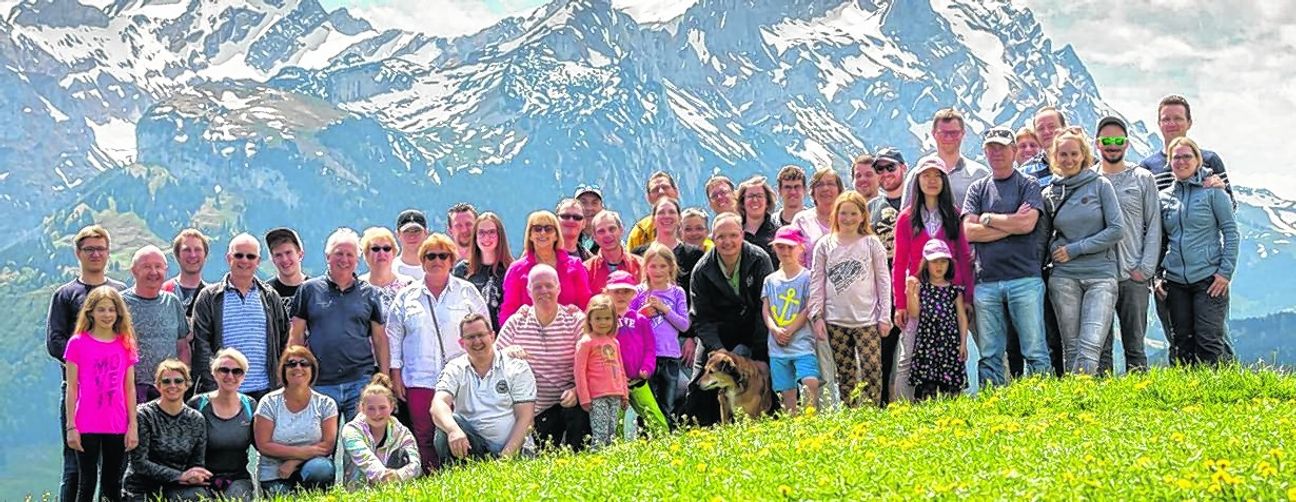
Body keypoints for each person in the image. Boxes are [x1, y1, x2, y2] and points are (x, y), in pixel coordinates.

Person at [387, 233, 488, 472]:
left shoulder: (467, 291)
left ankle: (463, 475)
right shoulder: (406, 296)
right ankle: (433, 479)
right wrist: (395, 373)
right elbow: (393, 336)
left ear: (452, 260)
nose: (437, 260)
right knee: (424, 434)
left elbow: (484, 328)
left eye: (443, 255)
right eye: (431, 255)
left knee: (461, 427)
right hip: (419, 377)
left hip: (461, 376)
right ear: (422, 261)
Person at [961, 126, 1053, 387]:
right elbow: (968, 231)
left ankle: (1042, 400)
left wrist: (988, 220)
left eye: (1002, 147)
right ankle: (994, 404)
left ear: (1013, 151)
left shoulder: (1029, 184)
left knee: (1034, 349)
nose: (997, 152)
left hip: (1025, 278)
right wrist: (1011, 223)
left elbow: (1028, 225)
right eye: (991, 148)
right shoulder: (978, 188)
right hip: (986, 281)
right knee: (989, 353)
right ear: (984, 153)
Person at [46, 224, 127, 502]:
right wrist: (87, 364)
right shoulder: (66, 294)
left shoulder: (120, 291)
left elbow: (127, 338)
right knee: (75, 468)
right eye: (89, 249)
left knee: (114, 470)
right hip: (77, 391)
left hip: (115, 394)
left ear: (108, 253)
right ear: (78, 253)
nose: (96, 254)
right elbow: (55, 341)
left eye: (100, 249)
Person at [1041, 128, 1124, 375]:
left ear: (1084, 155)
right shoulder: (1050, 194)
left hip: (1101, 275)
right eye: (1063, 154)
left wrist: (1075, 249)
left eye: (1074, 154)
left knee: (1090, 345)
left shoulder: (1101, 185)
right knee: (1072, 347)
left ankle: (1081, 397)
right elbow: (1045, 237)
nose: (1069, 159)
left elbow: (1116, 230)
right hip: (1064, 277)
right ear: (1055, 157)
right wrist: (1055, 247)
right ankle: (1079, 402)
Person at [891, 161, 974, 402]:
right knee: (908, 355)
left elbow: (964, 256)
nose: (932, 180)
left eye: (937, 175)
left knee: (949, 351)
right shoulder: (906, 218)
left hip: (950, 292)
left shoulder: (954, 214)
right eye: (925, 175)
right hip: (917, 292)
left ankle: (951, 404)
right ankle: (905, 409)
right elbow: (899, 263)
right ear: (917, 181)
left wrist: (967, 296)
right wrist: (900, 304)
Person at [289, 228, 391, 422]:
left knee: (362, 443)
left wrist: (384, 379)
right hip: (320, 382)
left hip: (361, 381)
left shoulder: (370, 293)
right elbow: (297, 336)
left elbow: (379, 338)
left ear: (357, 260)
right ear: (328, 256)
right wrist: (295, 374)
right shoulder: (308, 290)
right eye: (339, 253)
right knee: (323, 446)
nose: (344, 259)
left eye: (350, 255)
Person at [682, 213, 774, 426]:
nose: (728, 241)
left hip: (755, 330)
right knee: (698, 384)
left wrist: (760, 354)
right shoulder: (702, 270)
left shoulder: (759, 260)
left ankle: (775, 423)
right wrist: (718, 349)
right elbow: (701, 319)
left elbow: (766, 307)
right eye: (721, 236)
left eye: (733, 235)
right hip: (718, 335)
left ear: (742, 235)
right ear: (713, 239)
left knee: (769, 374)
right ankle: (700, 430)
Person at [1157, 136, 1239, 366]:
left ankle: (1212, 397)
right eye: (1176, 157)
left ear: (1197, 160)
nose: (1181, 161)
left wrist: (1225, 273)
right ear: (1169, 162)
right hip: (1174, 281)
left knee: (1209, 342)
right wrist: (1156, 277)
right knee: (1181, 341)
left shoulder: (1214, 193)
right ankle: (1185, 394)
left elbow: (1231, 233)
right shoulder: (1163, 198)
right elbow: (1158, 240)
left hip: (1209, 279)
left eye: (1187, 156)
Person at [808, 192, 892, 408]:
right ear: (836, 215)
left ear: (863, 216)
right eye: (843, 213)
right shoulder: (825, 245)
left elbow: (884, 281)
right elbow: (817, 281)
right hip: (836, 320)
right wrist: (816, 315)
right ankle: (850, 412)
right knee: (845, 373)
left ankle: (872, 411)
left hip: (867, 319)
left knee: (872, 368)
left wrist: (885, 316)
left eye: (854, 213)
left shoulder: (872, 244)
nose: (848, 218)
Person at [1094, 116, 1161, 374]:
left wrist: (1145, 270)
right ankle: (1104, 400)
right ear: (1097, 143)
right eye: (1107, 140)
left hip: (1133, 275)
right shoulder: (1088, 179)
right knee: (1100, 346)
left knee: (1135, 346)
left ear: (1127, 144)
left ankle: (1139, 398)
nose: (1113, 146)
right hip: (1098, 275)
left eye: (1118, 140)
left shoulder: (1143, 178)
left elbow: (1154, 226)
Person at [497, 265, 588, 450]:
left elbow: (593, 364)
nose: (544, 291)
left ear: (559, 288)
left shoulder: (575, 320)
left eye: (549, 285)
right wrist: (507, 353)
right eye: (538, 287)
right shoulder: (517, 322)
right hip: (531, 413)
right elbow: (493, 360)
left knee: (580, 413)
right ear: (529, 291)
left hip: (567, 404)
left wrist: (577, 391)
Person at [190, 233, 290, 399]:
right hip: (224, 392)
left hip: (265, 392)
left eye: (251, 256)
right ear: (229, 258)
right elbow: (201, 345)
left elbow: (284, 340)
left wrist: (280, 381)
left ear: (258, 261)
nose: (244, 260)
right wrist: (214, 386)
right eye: (239, 255)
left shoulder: (271, 297)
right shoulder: (209, 297)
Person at [64, 287, 139, 502]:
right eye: (101, 310)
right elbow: (71, 388)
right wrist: (71, 427)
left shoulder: (125, 344)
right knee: (86, 482)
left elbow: (129, 388)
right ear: (91, 312)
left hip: (116, 422)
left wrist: (132, 426)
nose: (107, 315)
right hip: (86, 422)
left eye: (111, 310)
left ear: (118, 313)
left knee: (113, 483)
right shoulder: (77, 343)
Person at [432, 313, 536, 463]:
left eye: (481, 335)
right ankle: (458, 477)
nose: (477, 341)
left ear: (492, 336)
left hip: (513, 449)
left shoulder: (517, 368)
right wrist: (453, 430)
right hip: (472, 445)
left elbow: (526, 418)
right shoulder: (454, 368)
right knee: (445, 424)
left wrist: (505, 458)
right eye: (470, 337)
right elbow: (438, 404)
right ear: (461, 343)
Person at [254, 346, 338, 495]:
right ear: (283, 370)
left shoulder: (326, 403)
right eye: (291, 364)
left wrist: (294, 462)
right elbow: (264, 445)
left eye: (304, 363)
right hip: (275, 472)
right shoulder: (268, 402)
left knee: (321, 470)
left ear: (312, 370)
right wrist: (303, 452)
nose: (298, 367)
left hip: (312, 466)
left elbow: (327, 446)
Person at [124, 359, 210, 502]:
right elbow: (139, 463)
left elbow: (197, 463)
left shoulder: (197, 419)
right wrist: (180, 476)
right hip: (142, 486)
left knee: (200, 496)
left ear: (187, 385)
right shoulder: (144, 415)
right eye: (166, 381)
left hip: (179, 486)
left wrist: (194, 476)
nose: (172, 386)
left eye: (178, 381)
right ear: (157, 385)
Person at [761, 226, 820, 416]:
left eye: (790, 247)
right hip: (777, 346)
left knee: (810, 381)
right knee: (787, 390)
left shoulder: (807, 277)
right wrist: (775, 329)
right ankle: (792, 423)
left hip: (802, 342)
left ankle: (810, 419)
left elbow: (808, 307)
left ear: (801, 248)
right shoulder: (770, 280)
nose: (785, 252)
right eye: (781, 247)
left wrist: (791, 330)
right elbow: (766, 308)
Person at [628, 243, 690, 420]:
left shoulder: (677, 293)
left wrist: (665, 309)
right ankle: (645, 440)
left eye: (663, 266)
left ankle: (665, 437)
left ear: (671, 267)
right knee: (647, 405)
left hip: (670, 356)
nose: (657, 271)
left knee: (667, 404)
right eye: (653, 266)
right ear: (645, 268)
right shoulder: (639, 292)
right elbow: (628, 321)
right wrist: (642, 314)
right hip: (646, 357)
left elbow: (684, 325)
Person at [498, 210, 593, 324]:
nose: (543, 233)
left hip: (569, 335)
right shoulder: (516, 270)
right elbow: (509, 310)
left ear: (556, 235)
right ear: (530, 235)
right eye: (537, 228)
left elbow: (586, 304)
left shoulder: (575, 266)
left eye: (548, 229)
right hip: (529, 337)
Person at [605, 271, 669, 438]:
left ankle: (665, 444)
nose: (621, 295)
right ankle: (615, 452)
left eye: (626, 291)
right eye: (616, 291)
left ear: (633, 293)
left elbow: (650, 347)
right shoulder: (603, 320)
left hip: (638, 380)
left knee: (654, 416)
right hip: (615, 384)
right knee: (615, 423)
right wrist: (615, 375)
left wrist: (647, 367)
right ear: (607, 292)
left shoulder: (640, 320)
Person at [187, 349, 257, 501]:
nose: (230, 376)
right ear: (214, 373)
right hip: (200, 479)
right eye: (224, 370)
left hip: (238, 479)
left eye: (237, 371)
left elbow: (262, 446)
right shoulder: (197, 404)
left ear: (243, 376)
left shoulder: (250, 405)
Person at [124, 246, 190, 403]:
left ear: (166, 270)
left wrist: (182, 381)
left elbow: (182, 346)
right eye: (146, 266)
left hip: (169, 389)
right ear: (134, 271)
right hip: (132, 390)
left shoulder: (172, 302)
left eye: (158, 266)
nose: (153, 272)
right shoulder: (121, 303)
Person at [904, 241, 969, 400]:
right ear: (926, 264)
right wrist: (910, 293)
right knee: (927, 386)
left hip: (949, 344)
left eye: (943, 261)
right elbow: (914, 313)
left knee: (951, 389)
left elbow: (961, 317)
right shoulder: (922, 288)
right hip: (927, 344)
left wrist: (963, 343)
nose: (939, 266)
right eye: (934, 261)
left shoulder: (954, 291)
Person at [1139, 95, 1234, 198]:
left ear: (1189, 123)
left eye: (1178, 119)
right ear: (1159, 124)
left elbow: (1231, 206)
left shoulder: (1209, 160)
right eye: (1166, 119)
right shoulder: (1147, 167)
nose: (1172, 124)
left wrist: (1222, 191)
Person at [340, 374, 421, 489]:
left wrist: (399, 475)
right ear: (362, 408)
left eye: (382, 408)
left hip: (394, 491)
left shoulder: (403, 433)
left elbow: (415, 465)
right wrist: (385, 477)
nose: (377, 414)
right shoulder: (351, 431)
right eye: (371, 408)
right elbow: (366, 460)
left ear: (392, 407)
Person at [573, 295, 629, 449]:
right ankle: (597, 459)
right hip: (597, 396)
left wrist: (624, 394)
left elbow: (620, 369)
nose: (603, 322)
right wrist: (584, 397)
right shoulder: (586, 342)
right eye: (598, 318)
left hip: (615, 394)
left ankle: (609, 461)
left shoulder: (614, 342)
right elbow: (579, 372)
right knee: (600, 432)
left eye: (607, 318)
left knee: (612, 431)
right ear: (589, 319)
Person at [904, 108, 990, 208]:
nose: (948, 138)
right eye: (943, 133)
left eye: (954, 133)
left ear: (963, 134)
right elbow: (906, 216)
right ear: (934, 134)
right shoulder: (918, 174)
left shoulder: (979, 174)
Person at [632, 198, 706, 298]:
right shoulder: (638, 255)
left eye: (671, 212)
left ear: (680, 219)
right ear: (653, 220)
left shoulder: (695, 255)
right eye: (661, 212)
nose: (667, 216)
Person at [452, 212, 514, 331]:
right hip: (471, 338)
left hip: (503, 338)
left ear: (500, 236)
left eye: (491, 232)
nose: (486, 237)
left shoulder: (511, 271)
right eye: (481, 233)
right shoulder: (462, 271)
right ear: (475, 236)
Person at [585, 210, 643, 293]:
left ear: (621, 230)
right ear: (594, 237)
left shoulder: (640, 266)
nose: (607, 235)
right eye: (601, 231)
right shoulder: (586, 270)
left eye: (612, 229)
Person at [359, 226, 415, 308]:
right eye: (375, 249)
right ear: (366, 254)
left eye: (386, 248)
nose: (381, 253)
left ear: (394, 253)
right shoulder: (355, 287)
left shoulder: (409, 286)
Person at [791, 168, 844, 253]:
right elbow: (793, 258)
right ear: (813, 192)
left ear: (839, 190)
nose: (825, 188)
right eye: (820, 185)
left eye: (830, 184)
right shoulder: (801, 220)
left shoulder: (850, 218)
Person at [161, 228, 210, 317]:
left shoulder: (213, 296)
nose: (193, 255)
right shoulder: (162, 292)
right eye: (187, 250)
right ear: (177, 255)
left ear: (205, 255)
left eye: (197, 250)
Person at [627, 171, 681, 251]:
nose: (661, 192)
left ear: (676, 191)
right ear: (648, 198)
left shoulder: (691, 225)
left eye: (665, 187)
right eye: (655, 190)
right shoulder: (640, 231)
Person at [738, 175, 779, 268]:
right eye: (750, 196)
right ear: (742, 202)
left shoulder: (777, 234)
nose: (755, 200)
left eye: (759, 196)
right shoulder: (734, 232)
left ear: (767, 202)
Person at [1020, 106, 1068, 187]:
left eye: (1052, 126)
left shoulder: (1086, 163)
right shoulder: (1024, 174)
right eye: (1041, 128)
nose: (1046, 132)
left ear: (1064, 128)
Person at [264, 227, 308, 313]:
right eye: (278, 255)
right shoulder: (265, 293)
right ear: (272, 259)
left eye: (288, 253)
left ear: (300, 254)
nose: (284, 259)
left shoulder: (315, 290)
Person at [395, 209, 430, 280]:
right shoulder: (389, 270)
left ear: (426, 233)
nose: (412, 236)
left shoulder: (438, 268)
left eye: (417, 231)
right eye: (406, 231)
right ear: (398, 234)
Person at [574, 184, 605, 255]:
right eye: (583, 203)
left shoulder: (611, 240)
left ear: (602, 208)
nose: (589, 208)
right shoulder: (565, 239)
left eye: (594, 203)